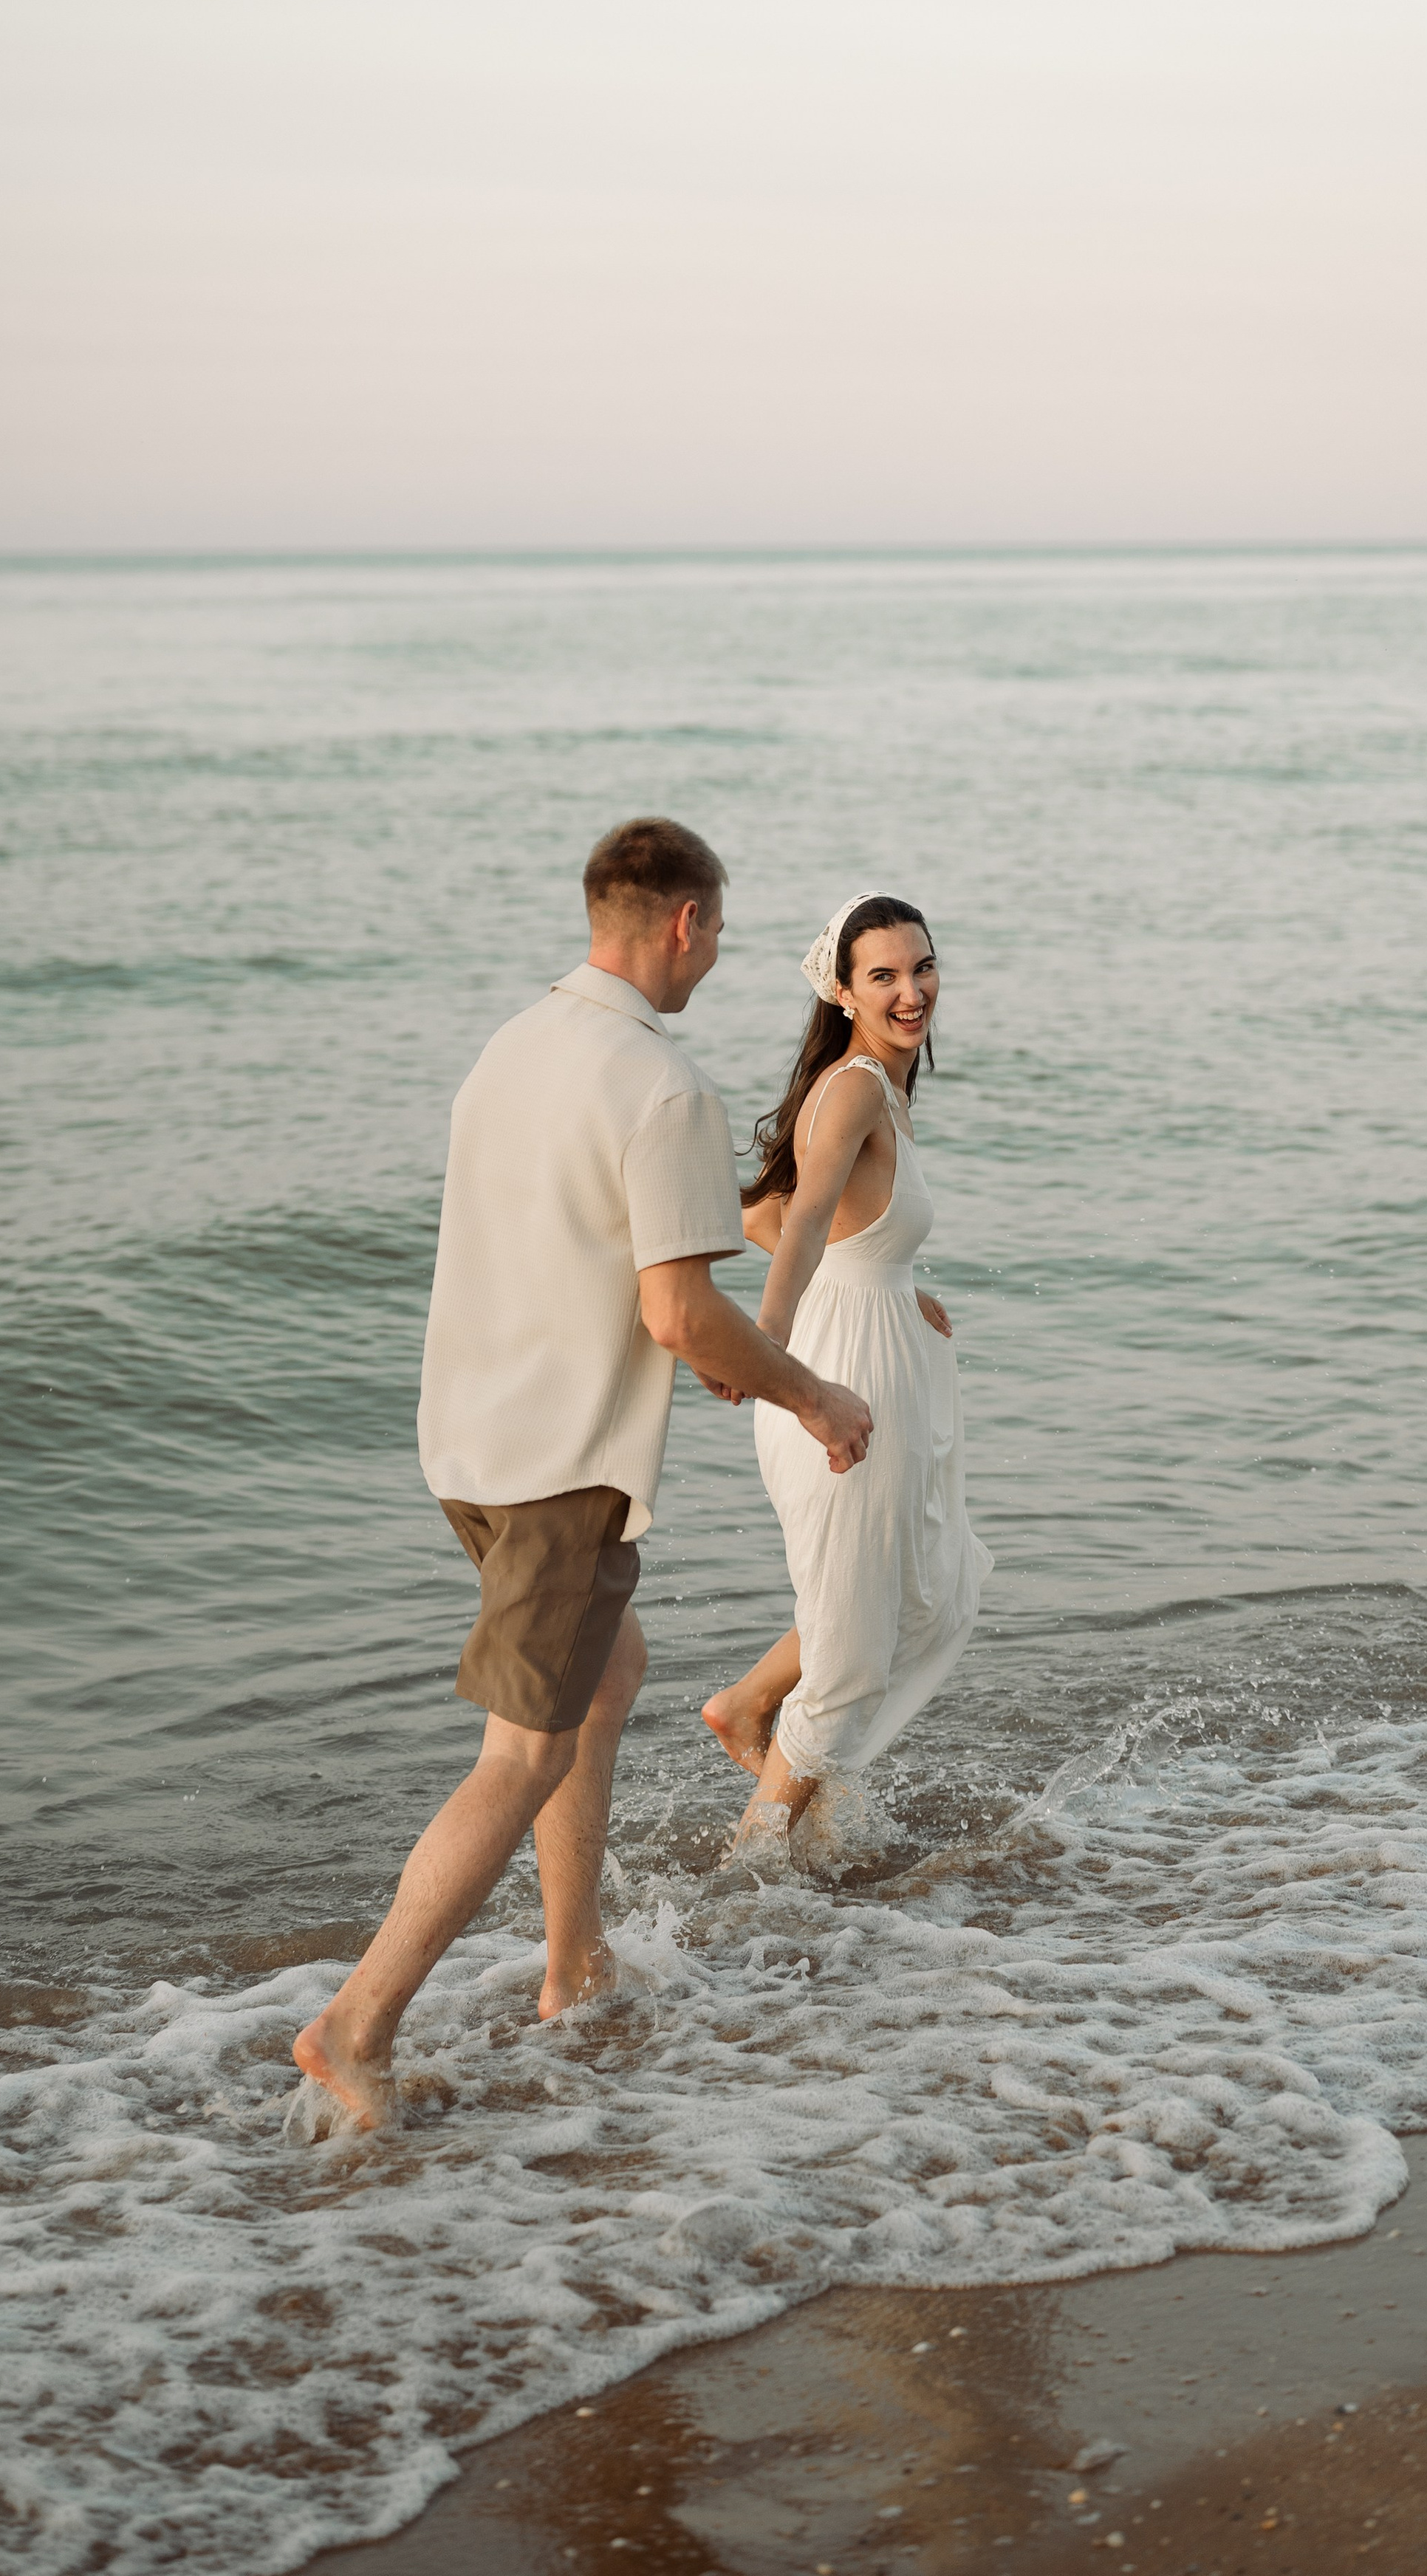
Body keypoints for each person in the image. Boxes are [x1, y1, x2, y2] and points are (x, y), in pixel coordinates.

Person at [293, 820, 873, 2127]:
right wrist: (810, 1392)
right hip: (563, 1465)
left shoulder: (513, 1048)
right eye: (717, 933)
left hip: (467, 1441)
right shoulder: (661, 1088)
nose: (717, 959)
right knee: (522, 1756)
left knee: (608, 1673)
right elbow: (682, 1315)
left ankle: (574, 1964)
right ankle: (359, 2023)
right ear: (681, 921)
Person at [702, 891, 991, 1854]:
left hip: (883, 1353)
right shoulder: (859, 1084)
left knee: (914, 1591)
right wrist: (771, 1347)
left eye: (922, 967)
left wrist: (903, 1289)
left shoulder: (873, 1085)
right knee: (856, 1644)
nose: (911, 991)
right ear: (842, 988)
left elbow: (761, 1214)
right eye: (884, 976)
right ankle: (753, 1881)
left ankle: (745, 1707)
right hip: (838, 1375)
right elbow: (810, 1212)